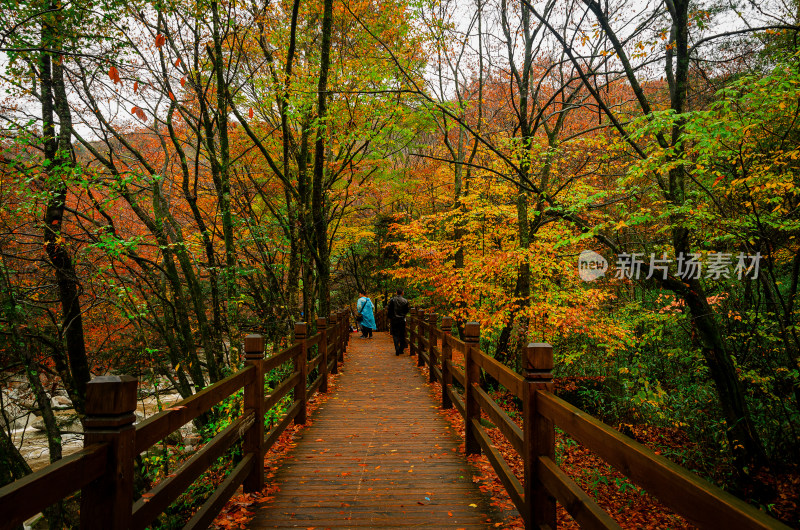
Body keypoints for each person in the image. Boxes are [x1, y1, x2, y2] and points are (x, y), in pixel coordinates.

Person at [387, 288, 409, 355]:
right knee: (402, 334)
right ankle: (401, 349)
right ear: (402, 293)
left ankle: (396, 347)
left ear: (396, 292)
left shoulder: (392, 300)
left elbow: (389, 310)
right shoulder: (405, 301)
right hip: (402, 319)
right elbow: (406, 310)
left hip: (394, 320)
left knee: (395, 334)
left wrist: (390, 317)